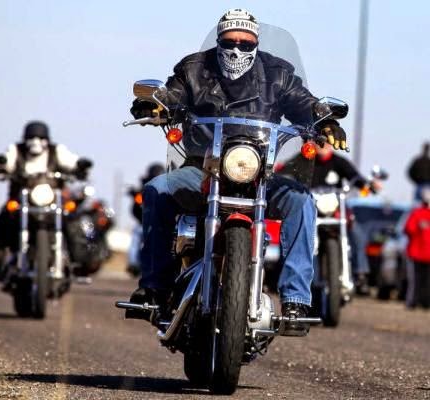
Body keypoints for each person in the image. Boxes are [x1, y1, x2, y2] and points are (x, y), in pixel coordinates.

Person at [128, 9, 348, 335]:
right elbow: (173, 95)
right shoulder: (194, 67)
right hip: (203, 169)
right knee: (156, 190)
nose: (236, 49)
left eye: (245, 43)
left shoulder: (278, 73)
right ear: (219, 40)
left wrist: (323, 119)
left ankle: (296, 300)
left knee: (302, 201)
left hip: (260, 173)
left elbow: (303, 102)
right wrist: (156, 103)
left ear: (256, 43)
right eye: (230, 42)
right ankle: (154, 288)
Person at [0, 121, 92, 278]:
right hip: (21, 199)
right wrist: (2, 164)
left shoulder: (57, 151)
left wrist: (79, 165)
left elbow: (69, 161)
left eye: (40, 138)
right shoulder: (16, 150)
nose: (36, 142)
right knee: (3, 220)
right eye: (31, 138)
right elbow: (8, 161)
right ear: (25, 139)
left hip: (52, 200)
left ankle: (80, 263)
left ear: (47, 140)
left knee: (72, 221)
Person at [281, 142, 382, 295]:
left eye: (327, 141)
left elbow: (355, 177)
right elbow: (285, 170)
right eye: (320, 141)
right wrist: (277, 174)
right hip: (312, 210)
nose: (324, 145)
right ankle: (289, 275)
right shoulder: (305, 159)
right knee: (292, 231)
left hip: (336, 211)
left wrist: (369, 185)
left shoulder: (339, 162)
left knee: (356, 231)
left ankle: (360, 273)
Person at [127, 163, 165, 276]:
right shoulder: (143, 190)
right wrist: (134, 194)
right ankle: (133, 264)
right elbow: (136, 207)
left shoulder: (166, 191)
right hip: (142, 223)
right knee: (135, 240)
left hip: (158, 225)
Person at [404, 187, 430, 309]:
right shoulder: (417, 213)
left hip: (424, 254)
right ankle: (413, 301)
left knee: (426, 280)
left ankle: (425, 302)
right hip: (417, 254)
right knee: (415, 280)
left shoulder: (416, 213)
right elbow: (409, 229)